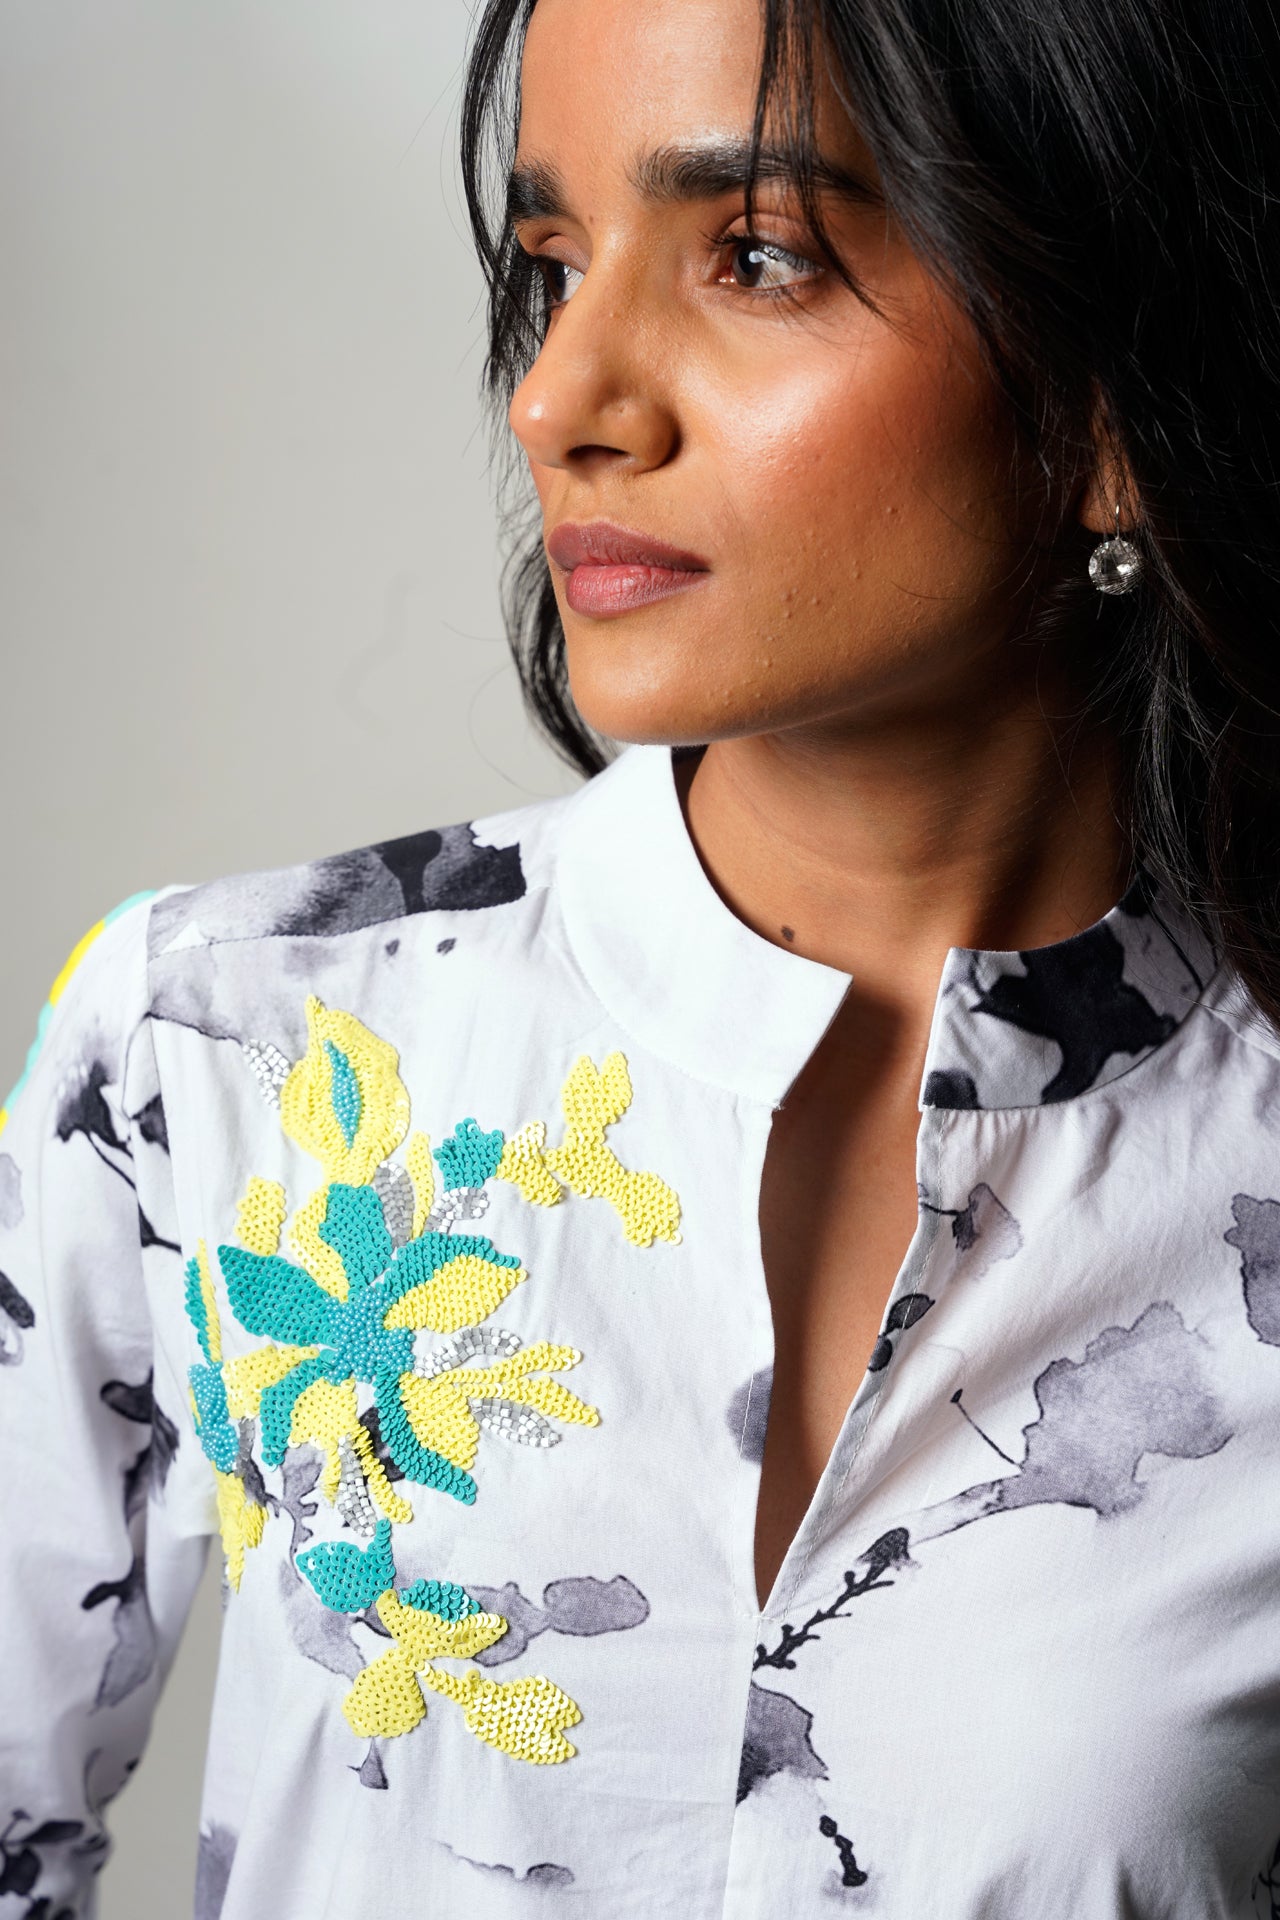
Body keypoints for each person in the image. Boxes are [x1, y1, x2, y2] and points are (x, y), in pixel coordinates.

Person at [3, 0, 1279, 1912]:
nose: (560, 397)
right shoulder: (217, 1044)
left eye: (755, 255)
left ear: (1110, 400)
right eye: (553, 260)